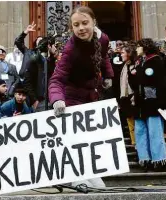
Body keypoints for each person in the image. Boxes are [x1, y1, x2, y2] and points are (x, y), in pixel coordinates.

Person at [48, 6, 113, 188]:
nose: (81, 28)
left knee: (90, 141)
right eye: (76, 25)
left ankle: (90, 174)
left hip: (91, 96)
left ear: (94, 23)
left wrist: (108, 75)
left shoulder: (103, 39)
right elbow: (57, 79)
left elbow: (104, 56)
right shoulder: (70, 49)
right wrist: (57, 99)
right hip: (71, 97)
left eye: (85, 23)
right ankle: (77, 179)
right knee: (76, 140)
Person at [129, 38, 166, 170]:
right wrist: (132, 73)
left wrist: (158, 101)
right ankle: (144, 158)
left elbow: (154, 81)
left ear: (145, 47)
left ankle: (158, 159)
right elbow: (135, 83)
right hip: (139, 103)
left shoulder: (156, 60)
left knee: (154, 131)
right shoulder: (139, 62)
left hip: (152, 102)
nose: (136, 49)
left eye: (139, 46)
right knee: (140, 131)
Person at [25, 36, 58, 111]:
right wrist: (34, 100)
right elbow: (27, 82)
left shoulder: (50, 62)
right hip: (40, 102)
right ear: (49, 46)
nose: (55, 49)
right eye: (54, 46)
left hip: (52, 99)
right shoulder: (34, 61)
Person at [119, 45, 137, 146]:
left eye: (123, 53)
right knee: (129, 120)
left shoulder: (133, 66)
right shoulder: (124, 65)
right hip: (124, 96)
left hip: (131, 96)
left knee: (134, 121)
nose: (121, 55)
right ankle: (134, 141)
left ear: (128, 54)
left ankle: (136, 143)